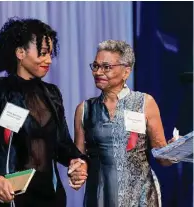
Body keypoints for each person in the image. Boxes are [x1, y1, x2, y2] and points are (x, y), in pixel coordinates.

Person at [0, 17, 88, 207]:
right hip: (10, 196)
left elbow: (62, 144)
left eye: (50, 53)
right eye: (42, 53)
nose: (48, 60)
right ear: (20, 52)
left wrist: (77, 161)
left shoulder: (52, 93)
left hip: (50, 196)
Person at [73, 40, 175, 207]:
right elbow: (78, 157)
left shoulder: (144, 102)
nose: (98, 72)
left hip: (140, 198)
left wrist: (175, 151)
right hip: (100, 196)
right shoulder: (85, 109)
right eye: (95, 66)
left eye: (106, 67)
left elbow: (163, 158)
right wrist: (77, 169)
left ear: (126, 71)